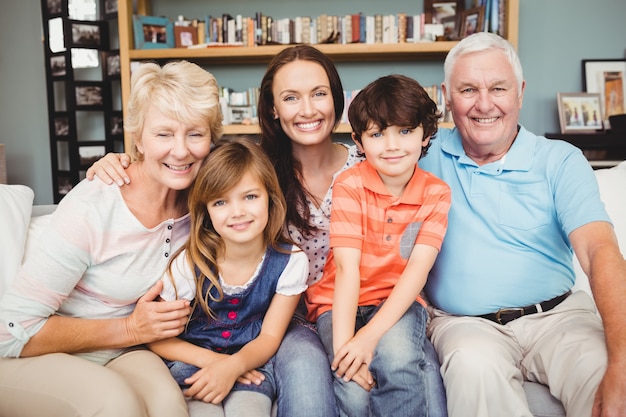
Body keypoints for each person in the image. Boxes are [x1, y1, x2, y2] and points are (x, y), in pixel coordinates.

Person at [86, 44, 449, 417]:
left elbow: (421, 150)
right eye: (291, 98)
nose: (307, 109)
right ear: (274, 109)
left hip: (376, 303)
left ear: (337, 100)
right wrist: (123, 161)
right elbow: (187, 168)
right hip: (286, 314)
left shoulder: (373, 159)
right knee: (328, 381)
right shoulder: (256, 168)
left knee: (420, 374)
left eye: (319, 94)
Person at [418, 31, 626, 417]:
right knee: (472, 366)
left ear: (520, 92)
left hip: (560, 319)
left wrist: (623, 360)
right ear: (447, 95)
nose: (484, 104)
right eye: (468, 90)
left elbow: (599, 251)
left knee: (604, 375)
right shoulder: (420, 156)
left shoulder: (560, 160)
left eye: (498, 88)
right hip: (465, 325)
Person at [0, 60, 223, 417]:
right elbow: (10, 329)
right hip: (30, 353)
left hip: (125, 352)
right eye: (163, 134)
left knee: (169, 409)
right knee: (118, 406)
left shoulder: (207, 202)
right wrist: (130, 328)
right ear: (138, 138)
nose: (181, 151)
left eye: (195, 133)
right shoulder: (95, 205)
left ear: (212, 137)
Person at [305, 74, 451, 417]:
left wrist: (369, 337)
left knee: (399, 364)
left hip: (397, 300)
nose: (392, 145)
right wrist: (346, 349)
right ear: (359, 140)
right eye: (377, 134)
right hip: (337, 300)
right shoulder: (349, 184)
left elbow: (417, 272)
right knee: (353, 386)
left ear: (426, 134)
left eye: (405, 131)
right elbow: (346, 270)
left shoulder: (436, 194)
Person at [149, 136, 309, 417]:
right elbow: (158, 338)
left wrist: (235, 365)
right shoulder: (189, 263)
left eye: (250, 196)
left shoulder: (291, 261)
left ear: (270, 198)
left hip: (250, 367)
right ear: (206, 211)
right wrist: (216, 363)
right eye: (221, 201)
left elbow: (270, 336)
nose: (238, 212)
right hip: (194, 364)